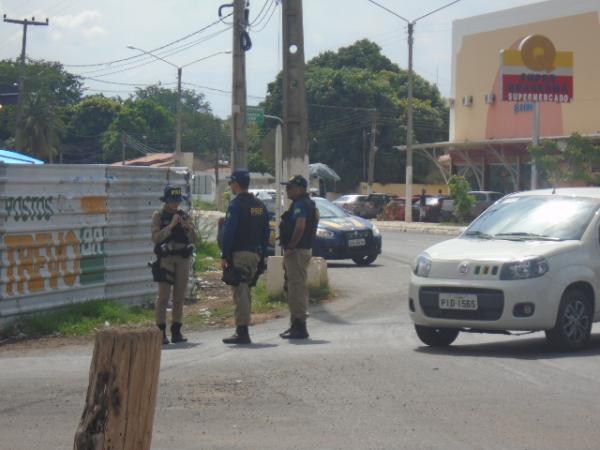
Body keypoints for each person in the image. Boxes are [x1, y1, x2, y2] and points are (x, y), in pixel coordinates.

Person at [221, 169, 270, 345]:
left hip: (239, 254)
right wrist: (263, 255)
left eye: (231, 183)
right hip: (255, 255)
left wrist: (225, 255)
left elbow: (229, 232)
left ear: (236, 184)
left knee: (240, 293)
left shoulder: (236, 205)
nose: (230, 186)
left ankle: (242, 331)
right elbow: (266, 233)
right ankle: (242, 329)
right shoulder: (259, 205)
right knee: (246, 292)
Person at [151, 185, 197, 345]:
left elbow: (193, 239)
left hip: (182, 258)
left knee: (179, 296)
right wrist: (170, 226)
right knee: (163, 296)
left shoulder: (184, 215)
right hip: (166, 259)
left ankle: (176, 330)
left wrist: (188, 227)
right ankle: (160, 332)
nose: (175, 204)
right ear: (166, 201)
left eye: (177, 201)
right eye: (172, 201)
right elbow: (156, 238)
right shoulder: (159, 215)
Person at [279, 175, 319, 339]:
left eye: (290, 187)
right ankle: (295, 324)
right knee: (293, 287)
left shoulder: (302, 205)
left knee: (297, 288)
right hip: (300, 250)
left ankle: (300, 326)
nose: (287, 190)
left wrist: (290, 246)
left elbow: (300, 227)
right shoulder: (305, 203)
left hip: (297, 251)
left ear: (300, 188)